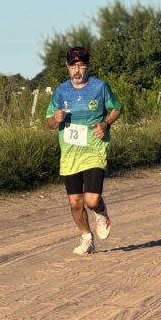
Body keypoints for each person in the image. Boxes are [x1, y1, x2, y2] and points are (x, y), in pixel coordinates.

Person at [46, 47, 122, 255]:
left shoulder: (100, 87)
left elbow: (116, 107)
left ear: (88, 66)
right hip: (70, 153)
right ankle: (87, 238)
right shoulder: (61, 91)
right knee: (75, 203)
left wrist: (106, 124)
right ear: (67, 66)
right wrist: (56, 119)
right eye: (73, 66)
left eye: (81, 65)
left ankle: (101, 212)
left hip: (94, 150)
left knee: (91, 200)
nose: (77, 70)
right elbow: (49, 122)